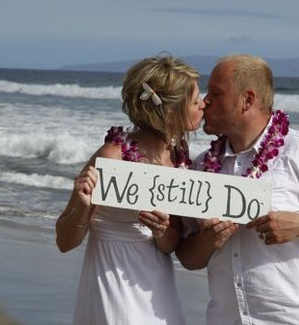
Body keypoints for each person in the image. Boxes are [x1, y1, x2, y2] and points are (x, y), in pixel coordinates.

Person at [176, 54, 299, 325]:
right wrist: (207, 241)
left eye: (216, 93)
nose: (205, 101)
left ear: (247, 100)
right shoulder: (200, 166)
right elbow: (188, 259)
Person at [55, 55, 204, 325]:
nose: (203, 106)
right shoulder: (114, 157)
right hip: (113, 279)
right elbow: (65, 242)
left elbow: (170, 245)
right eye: (195, 101)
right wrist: (83, 207)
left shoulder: (179, 156)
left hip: (157, 287)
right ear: (170, 111)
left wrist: (162, 231)